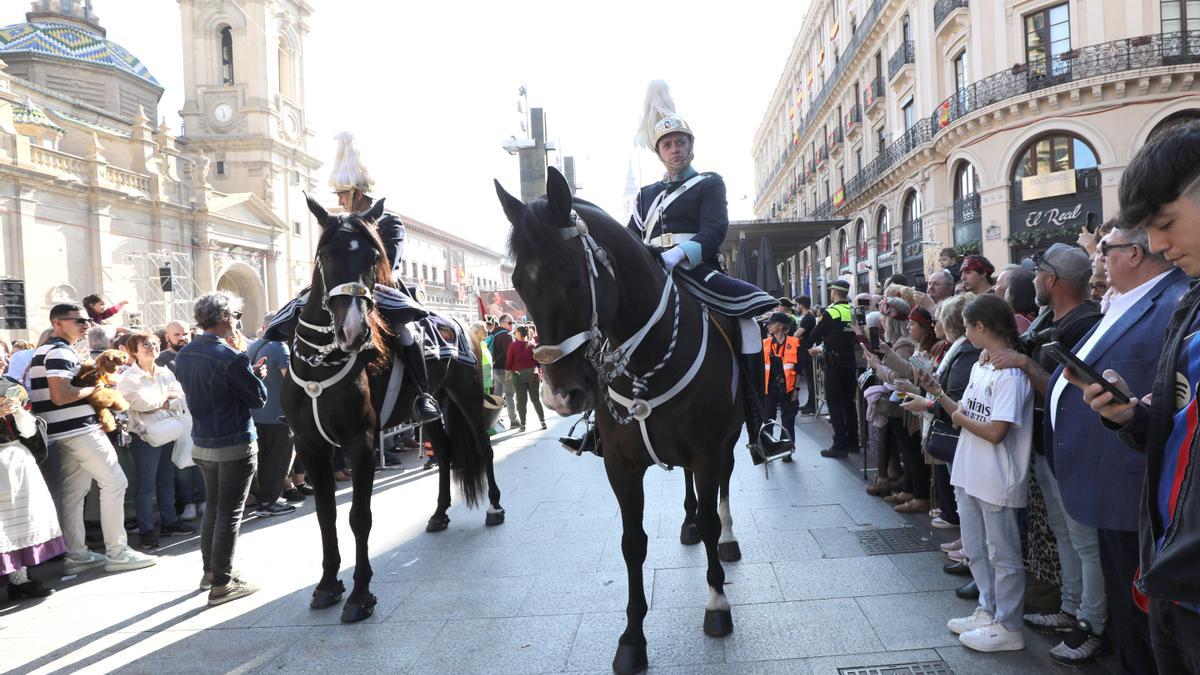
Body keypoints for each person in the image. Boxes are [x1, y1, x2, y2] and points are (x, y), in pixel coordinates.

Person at [563, 80, 791, 463]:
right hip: (649, 273)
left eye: (681, 142)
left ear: (690, 146)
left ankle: (760, 426)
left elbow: (714, 230)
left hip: (696, 270)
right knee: (605, 330)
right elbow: (631, 237)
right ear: (659, 151)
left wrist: (680, 254)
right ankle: (593, 422)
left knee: (748, 325)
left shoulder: (709, 183)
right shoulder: (645, 196)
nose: (675, 149)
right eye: (668, 144)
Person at [1072, 122, 1200, 671]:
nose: (1161, 247)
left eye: (1166, 224)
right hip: (1173, 576)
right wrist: (1132, 414)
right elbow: (1181, 427)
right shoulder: (1191, 307)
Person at [1039, 224, 1185, 670]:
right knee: (1128, 616)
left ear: (1137, 253)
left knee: (1141, 619)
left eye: (1106, 248)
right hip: (1105, 484)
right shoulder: (1125, 302)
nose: (1098, 257)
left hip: (1134, 491)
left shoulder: (1175, 302)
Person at [264, 132, 439, 424]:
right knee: (301, 316)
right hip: (341, 289)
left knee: (406, 332)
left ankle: (423, 395)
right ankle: (299, 397)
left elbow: (390, 263)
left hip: (379, 288)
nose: (341, 200)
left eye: (343, 194)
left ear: (357, 193)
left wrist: (368, 282)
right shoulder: (340, 224)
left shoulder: (388, 220)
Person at [921, 294, 1034, 652]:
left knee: (1003, 552)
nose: (965, 332)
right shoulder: (982, 365)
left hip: (996, 475)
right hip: (970, 470)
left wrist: (956, 417)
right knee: (978, 548)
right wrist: (938, 393)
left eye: (968, 326)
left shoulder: (1012, 374)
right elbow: (966, 412)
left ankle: (1009, 624)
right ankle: (988, 609)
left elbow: (996, 430)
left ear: (981, 327)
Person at [30, 303, 156, 574]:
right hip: (78, 430)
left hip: (62, 432)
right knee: (115, 483)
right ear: (58, 324)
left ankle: (76, 553)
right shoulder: (59, 351)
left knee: (75, 494)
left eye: (88, 320)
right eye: (79, 321)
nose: (87, 325)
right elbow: (60, 395)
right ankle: (117, 551)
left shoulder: (45, 351)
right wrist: (94, 388)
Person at [174, 292, 267, 606]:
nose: (238, 322)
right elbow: (258, 399)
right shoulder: (231, 356)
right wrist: (254, 375)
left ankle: (211, 572)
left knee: (214, 510)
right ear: (226, 317)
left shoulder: (185, 353)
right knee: (228, 513)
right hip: (233, 441)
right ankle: (223, 584)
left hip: (203, 441)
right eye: (237, 316)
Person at [117, 331, 195, 550]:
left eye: (154, 344)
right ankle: (146, 529)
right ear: (135, 351)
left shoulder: (164, 371)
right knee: (146, 482)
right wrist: (164, 401)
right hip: (143, 434)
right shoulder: (129, 378)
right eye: (146, 345)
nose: (152, 347)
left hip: (168, 429)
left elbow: (179, 395)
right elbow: (141, 402)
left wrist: (162, 402)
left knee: (166, 478)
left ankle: (169, 521)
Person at [0, 379, 64, 601]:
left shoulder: (11, 387)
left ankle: (20, 581)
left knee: (19, 524)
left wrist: (18, 412)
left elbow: (28, 431)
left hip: (17, 462)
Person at [247, 315, 297, 517]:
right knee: (278, 461)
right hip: (278, 415)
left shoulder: (253, 346)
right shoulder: (279, 348)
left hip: (256, 414)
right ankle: (270, 502)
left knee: (265, 460)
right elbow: (290, 381)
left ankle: (265, 499)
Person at [807, 279, 859, 458]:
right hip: (850, 361)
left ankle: (839, 445)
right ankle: (853, 442)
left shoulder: (831, 312)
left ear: (834, 293)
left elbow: (814, 334)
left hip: (834, 364)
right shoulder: (853, 310)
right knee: (849, 402)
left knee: (835, 403)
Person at [762, 312, 801, 462]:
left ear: (781, 326)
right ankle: (768, 450)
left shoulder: (794, 343)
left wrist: (796, 390)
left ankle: (786, 451)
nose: (769, 326)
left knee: (788, 422)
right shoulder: (765, 343)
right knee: (768, 421)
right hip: (769, 389)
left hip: (788, 390)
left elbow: (798, 369)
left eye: (772, 323)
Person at [504, 325, 545, 432]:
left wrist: (506, 377)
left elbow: (509, 363)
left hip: (518, 375)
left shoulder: (513, 346)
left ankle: (523, 424)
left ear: (518, 333)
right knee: (536, 399)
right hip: (533, 373)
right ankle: (543, 421)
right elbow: (538, 362)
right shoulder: (532, 345)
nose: (514, 333)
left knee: (521, 401)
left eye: (516, 332)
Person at [490, 314, 518, 428]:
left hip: (494, 369)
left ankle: (493, 423)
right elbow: (511, 355)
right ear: (502, 323)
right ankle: (514, 421)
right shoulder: (507, 335)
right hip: (505, 370)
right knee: (510, 396)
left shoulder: (492, 334)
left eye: (513, 323)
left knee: (497, 397)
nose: (512, 325)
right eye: (509, 323)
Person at [793, 295, 817, 415]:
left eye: (796, 305)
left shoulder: (808, 317)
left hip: (807, 352)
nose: (796, 307)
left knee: (810, 379)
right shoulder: (807, 317)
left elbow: (797, 334)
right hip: (804, 351)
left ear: (801, 305)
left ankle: (812, 405)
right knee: (808, 379)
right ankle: (810, 403)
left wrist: (797, 335)